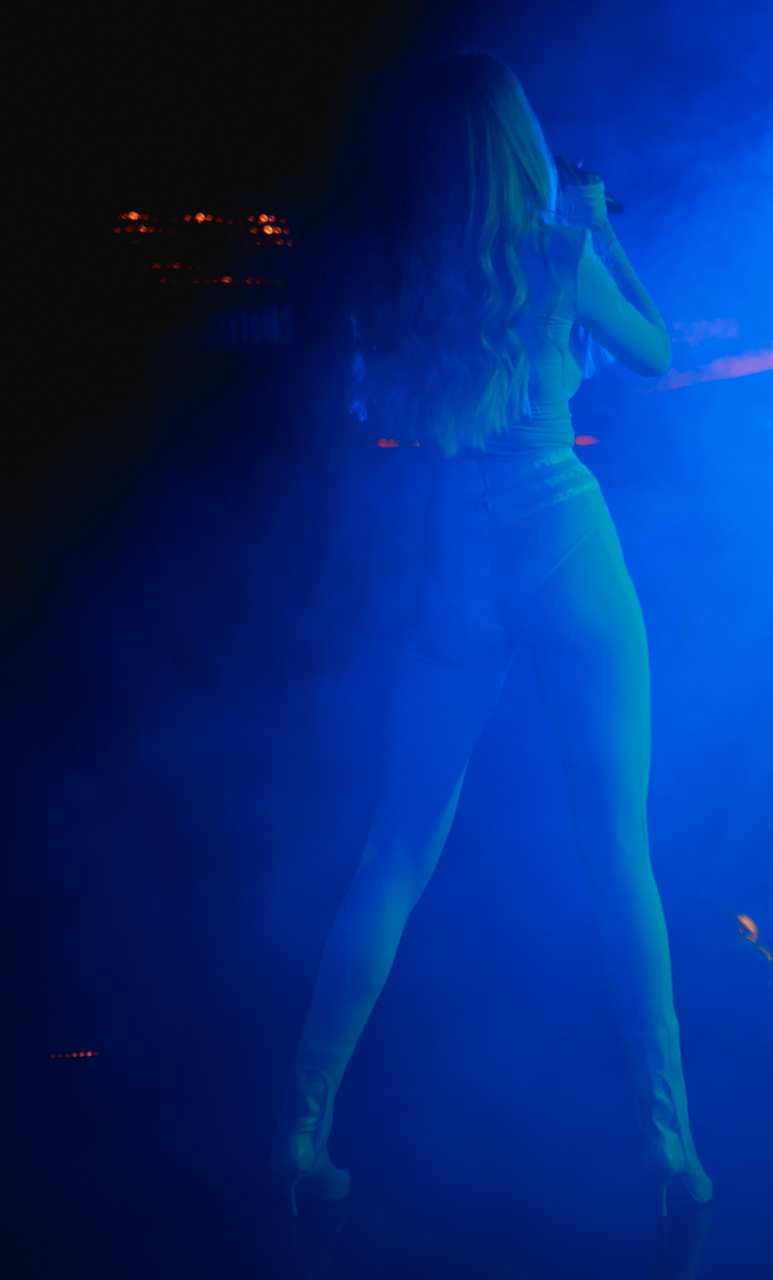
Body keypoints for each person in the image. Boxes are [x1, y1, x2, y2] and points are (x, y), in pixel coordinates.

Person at [271, 51, 711, 1221]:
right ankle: (672, 1144)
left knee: (393, 853)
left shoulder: (399, 269)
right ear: (519, 145)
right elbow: (660, 352)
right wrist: (600, 225)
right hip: (563, 537)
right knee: (616, 848)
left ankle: (300, 1131)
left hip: (455, 556)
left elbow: (377, 405)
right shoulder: (558, 253)